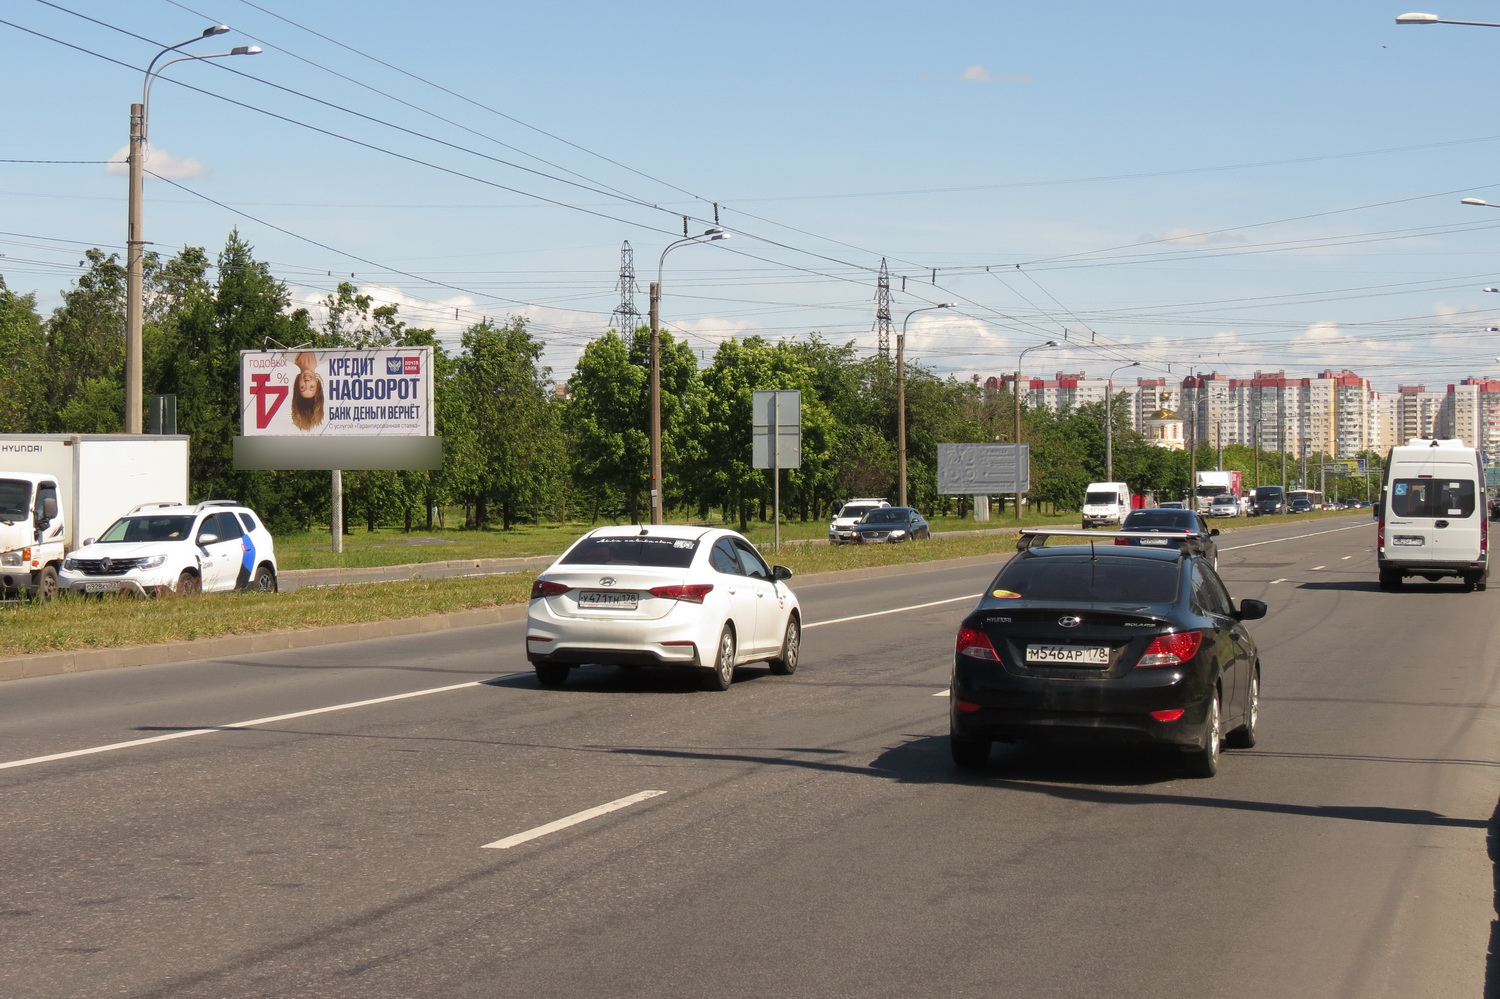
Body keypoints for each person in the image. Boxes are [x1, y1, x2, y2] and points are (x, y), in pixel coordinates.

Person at [290, 351, 324, 431]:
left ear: (297, 384)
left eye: (302, 387)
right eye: (311, 387)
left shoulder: (286, 356)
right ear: (317, 383)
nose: (307, 382)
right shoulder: (325, 356)